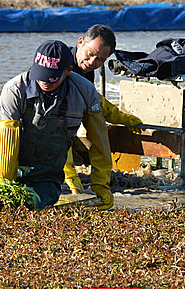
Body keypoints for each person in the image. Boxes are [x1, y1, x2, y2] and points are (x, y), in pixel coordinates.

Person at [0, 40, 109, 209]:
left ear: (68, 71)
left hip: (43, 173)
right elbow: (6, 146)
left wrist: (101, 186)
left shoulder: (84, 91)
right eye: (40, 75)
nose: (44, 82)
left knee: (31, 205)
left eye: (51, 78)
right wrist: (6, 189)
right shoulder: (14, 89)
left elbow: (99, 143)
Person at [64, 24, 143, 207]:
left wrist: (120, 118)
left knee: (99, 132)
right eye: (90, 53)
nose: (92, 62)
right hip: (47, 125)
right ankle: (72, 182)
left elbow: (92, 99)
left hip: (69, 120)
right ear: (80, 42)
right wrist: (70, 175)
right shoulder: (64, 64)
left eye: (100, 59)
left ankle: (101, 186)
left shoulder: (86, 69)